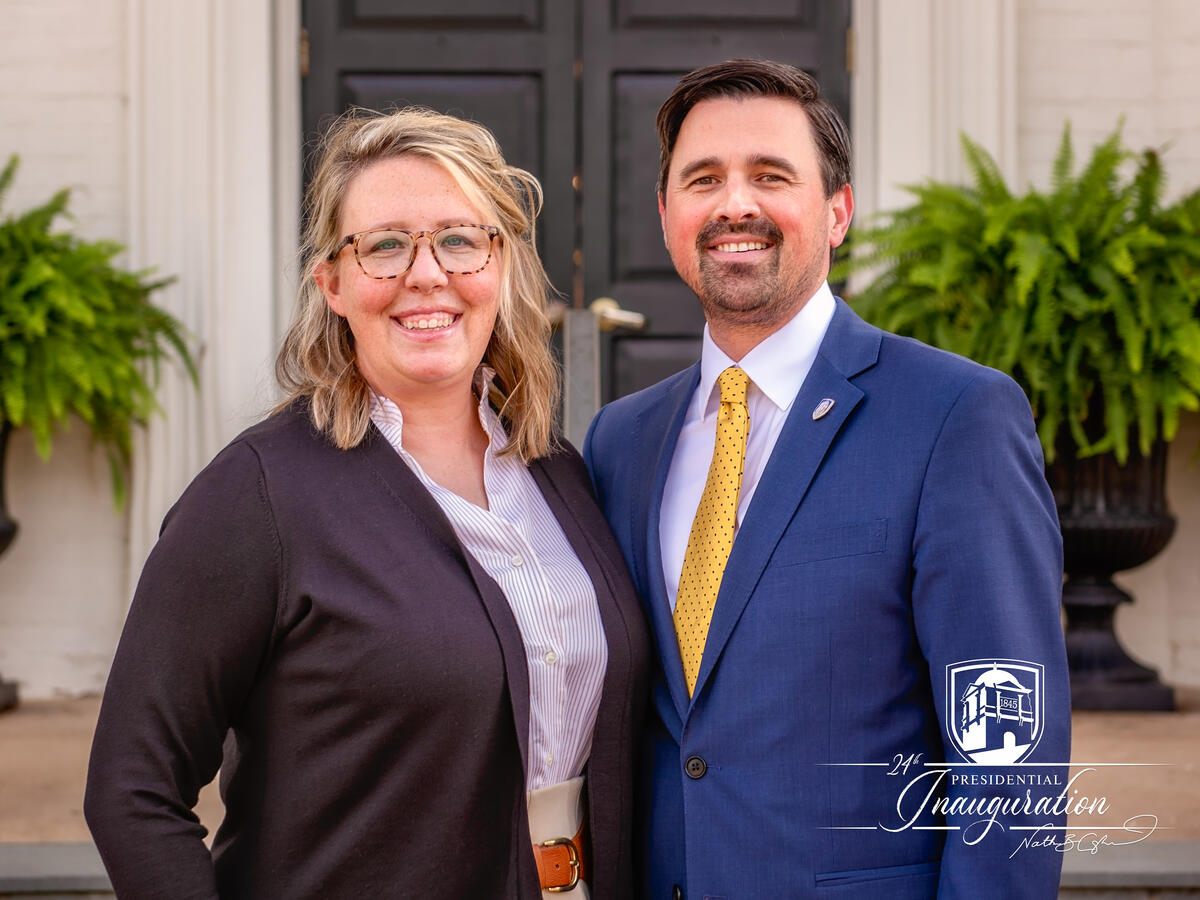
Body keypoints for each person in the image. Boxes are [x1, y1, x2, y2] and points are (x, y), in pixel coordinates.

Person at [85, 106, 650, 899]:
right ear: (333, 283)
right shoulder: (258, 496)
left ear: (502, 266)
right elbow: (131, 788)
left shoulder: (558, 473)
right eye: (385, 245)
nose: (428, 274)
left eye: (460, 239)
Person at [583, 59, 1070, 899]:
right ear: (667, 217)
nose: (735, 203)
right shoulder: (620, 441)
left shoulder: (956, 417)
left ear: (838, 211)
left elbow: (1011, 754)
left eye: (771, 175)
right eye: (703, 179)